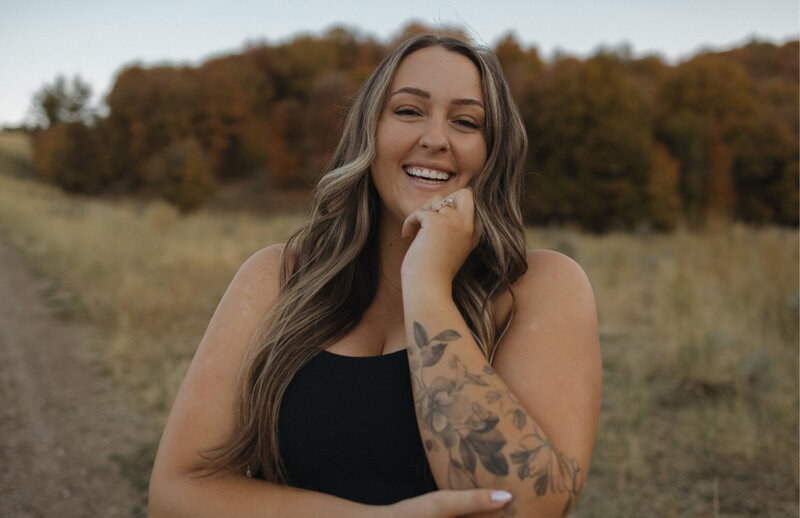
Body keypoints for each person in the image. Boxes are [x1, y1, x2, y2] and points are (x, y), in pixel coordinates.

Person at [149, 33, 601, 517]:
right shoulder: (278, 278)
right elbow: (177, 494)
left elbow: (522, 509)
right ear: (370, 130)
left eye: (466, 121)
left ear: (494, 152)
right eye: (408, 111)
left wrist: (427, 283)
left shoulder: (538, 287)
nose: (434, 138)